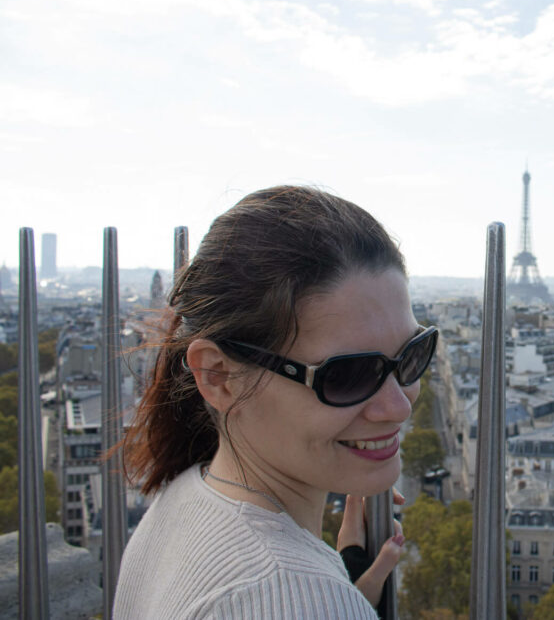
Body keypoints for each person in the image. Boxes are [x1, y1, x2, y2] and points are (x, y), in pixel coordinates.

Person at [113, 185, 437, 618]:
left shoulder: (179, 502)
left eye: (411, 356)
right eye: (346, 376)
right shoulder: (291, 596)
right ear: (218, 376)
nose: (398, 406)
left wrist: (343, 592)